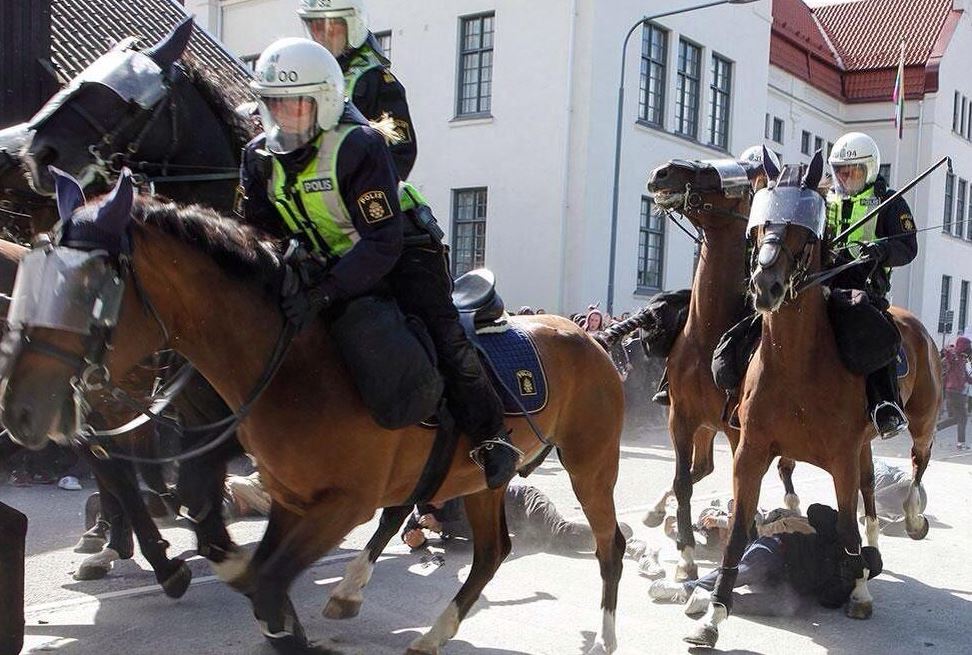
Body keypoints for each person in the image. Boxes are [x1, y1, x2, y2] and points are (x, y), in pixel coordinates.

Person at [238, 38, 519, 488]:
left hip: (403, 249)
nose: (285, 116)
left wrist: (324, 293)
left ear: (326, 103)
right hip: (327, 262)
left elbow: (382, 244)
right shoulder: (257, 157)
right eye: (275, 105)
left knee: (444, 333)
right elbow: (257, 233)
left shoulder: (358, 146)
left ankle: (492, 436)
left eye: (297, 105)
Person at [825, 132, 917, 438]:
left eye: (852, 172)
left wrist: (882, 250)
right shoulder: (825, 200)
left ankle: (885, 404)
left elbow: (908, 247)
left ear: (870, 170)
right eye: (840, 172)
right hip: (822, 280)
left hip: (864, 285)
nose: (845, 178)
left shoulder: (890, 203)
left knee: (871, 326)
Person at [648, 504, 882, 618]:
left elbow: (827, 601)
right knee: (747, 571)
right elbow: (816, 511)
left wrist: (848, 586)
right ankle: (685, 589)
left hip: (784, 582)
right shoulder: (840, 538)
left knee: (786, 606)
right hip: (776, 550)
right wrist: (843, 533)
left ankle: (714, 600)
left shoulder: (843, 587)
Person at [297, 0, 416, 180]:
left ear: (352, 26)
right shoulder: (301, 75)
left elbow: (399, 154)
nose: (320, 33)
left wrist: (365, 188)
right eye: (313, 24)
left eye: (329, 25)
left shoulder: (377, 81)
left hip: (355, 189)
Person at [401, 484, 633, 554]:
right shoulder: (424, 509)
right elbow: (410, 531)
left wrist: (441, 526)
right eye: (433, 498)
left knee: (558, 533)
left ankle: (613, 533)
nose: (439, 500)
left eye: (442, 493)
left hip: (525, 501)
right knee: (552, 544)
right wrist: (415, 540)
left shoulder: (463, 495)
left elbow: (481, 529)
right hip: (518, 526)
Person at [937, 336, 972, 449]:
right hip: (954, 391)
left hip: (958, 391)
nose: (969, 349)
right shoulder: (954, 357)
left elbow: (967, 377)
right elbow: (948, 356)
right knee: (963, 417)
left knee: (958, 418)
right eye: (967, 346)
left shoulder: (962, 360)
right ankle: (961, 443)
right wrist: (949, 350)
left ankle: (936, 428)